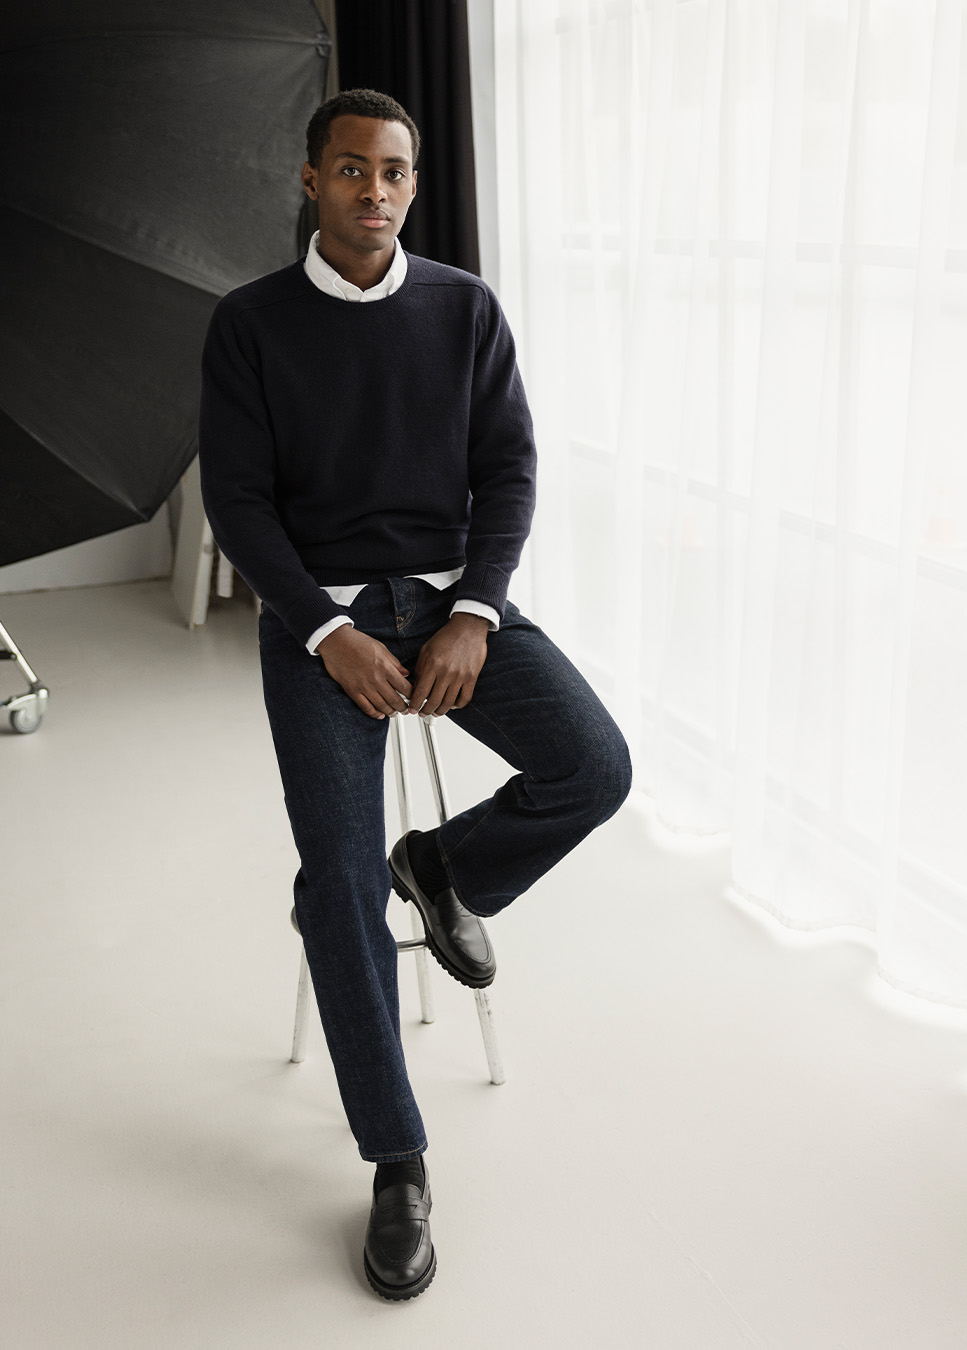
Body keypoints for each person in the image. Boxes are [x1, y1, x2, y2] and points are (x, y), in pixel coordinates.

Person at [198, 88, 631, 1302]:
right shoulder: (250, 324)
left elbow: (510, 469)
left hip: (448, 599)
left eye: (394, 172)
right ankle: (398, 1160)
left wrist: (477, 611)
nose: (375, 191)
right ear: (310, 180)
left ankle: (440, 867)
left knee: (596, 767)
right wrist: (328, 630)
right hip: (320, 622)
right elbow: (239, 502)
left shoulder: (464, 308)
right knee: (335, 885)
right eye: (352, 169)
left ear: (412, 185)